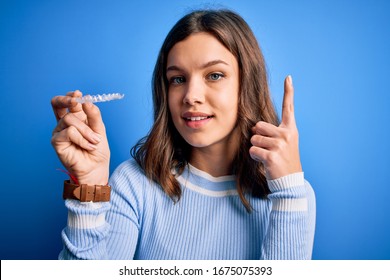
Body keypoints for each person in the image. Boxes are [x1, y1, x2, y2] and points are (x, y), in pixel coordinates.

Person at [51, 9, 315, 260]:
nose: (191, 96)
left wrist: (289, 191)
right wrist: (88, 190)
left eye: (214, 75)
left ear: (247, 84)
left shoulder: (293, 193)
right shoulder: (134, 184)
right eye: (177, 79)